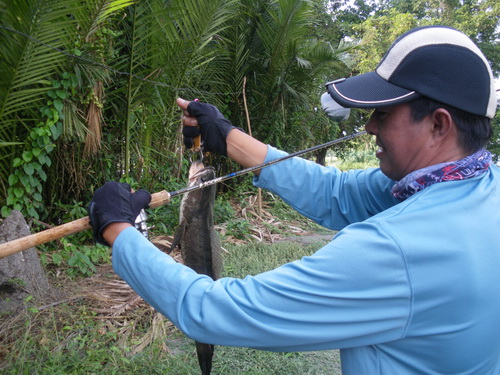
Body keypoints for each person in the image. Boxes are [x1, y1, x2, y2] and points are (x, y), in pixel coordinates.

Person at [88, 26, 499, 374]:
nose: (370, 126)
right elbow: (336, 193)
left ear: (438, 125)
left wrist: (119, 228)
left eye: (385, 114)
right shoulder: (479, 187)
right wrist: (227, 136)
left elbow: (214, 311)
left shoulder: (398, 251)